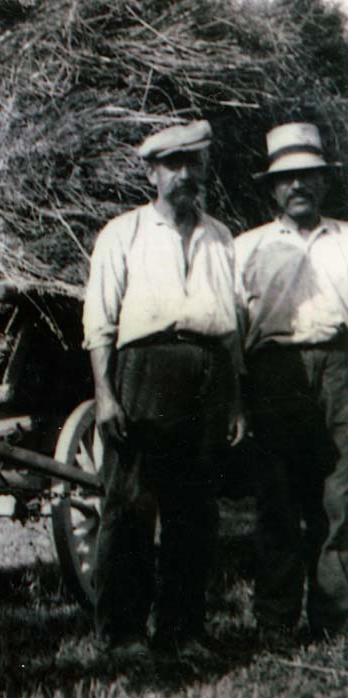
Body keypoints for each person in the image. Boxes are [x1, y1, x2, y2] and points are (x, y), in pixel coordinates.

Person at [82, 120, 247, 663]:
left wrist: (234, 399)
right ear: (152, 173)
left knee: (195, 508)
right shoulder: (123, 233)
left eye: (192, 163)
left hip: (207, 371)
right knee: (132, 503)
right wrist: (106, 394)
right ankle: (123, 633)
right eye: (172, 165)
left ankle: (183, 629)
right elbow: (100, 322)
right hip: (145, 369)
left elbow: (231, 326)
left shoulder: (220, 236)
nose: (183, 175)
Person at [235, 122, 348, 648]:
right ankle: (276, 620)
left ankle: (335, 614)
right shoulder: (247, 248)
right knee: (278, 495)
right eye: (287, 178)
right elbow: (233, 325)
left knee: (340, 494)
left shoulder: (346, 239)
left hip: (340, 367)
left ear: (325, 181)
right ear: (273, 188)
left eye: (308, 175)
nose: (298, 185)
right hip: (274, 371)